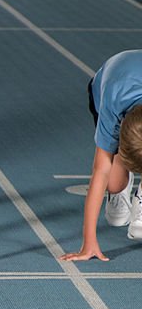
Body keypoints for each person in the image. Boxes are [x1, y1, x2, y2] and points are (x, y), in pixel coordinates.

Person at [61, 50, 142, 262]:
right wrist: (88, 243)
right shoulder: (111, 110)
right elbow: (100, 171)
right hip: (110, 79)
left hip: (130, 77)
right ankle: (119, 191)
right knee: (114, 184)